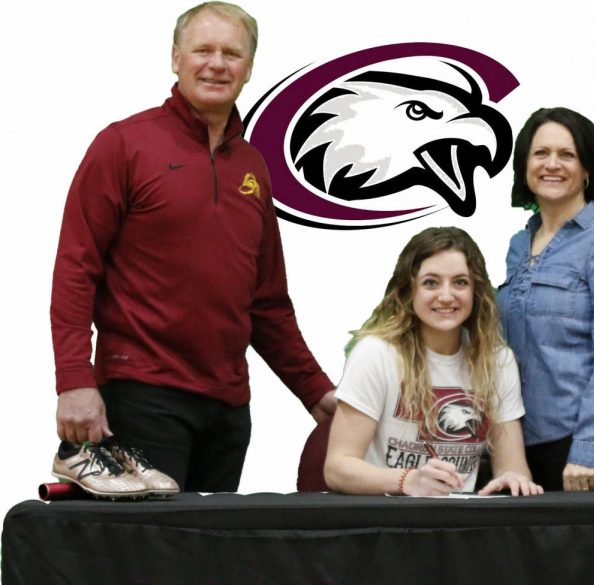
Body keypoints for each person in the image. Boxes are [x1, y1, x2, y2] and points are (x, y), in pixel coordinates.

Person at [50, 1, 336, 494]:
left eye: (232, 53)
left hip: (228, 409)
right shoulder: (123, 145)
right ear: (175, 58)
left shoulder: (253, 167)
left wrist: (315, 392)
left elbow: (266, 302)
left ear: (249, 68)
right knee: (145, 563)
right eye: (203, 49)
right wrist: (74, 380)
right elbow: (76, 269)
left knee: (208, 566)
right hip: (142, 393)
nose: (217, 63)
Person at [324, 227, 542, 497]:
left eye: (460, 282)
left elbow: (512, 465)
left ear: (476, 291)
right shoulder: (375, 354)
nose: (447, 296)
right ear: (409, 290)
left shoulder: (497, 360)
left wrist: (513, 478)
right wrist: (409, 480)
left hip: (458, 524)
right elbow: (338, 467)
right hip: (384, 522)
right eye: (431, 282)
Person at [497, 108, 594, 492]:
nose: (552, 164)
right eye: (540, 153)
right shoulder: (517, 244)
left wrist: (587, 450)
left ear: (588, 168)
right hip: (509, 442)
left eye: (567, 154)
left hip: (566, 446)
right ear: (524, 165)